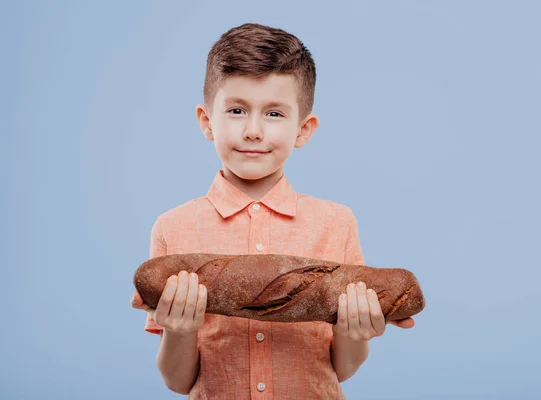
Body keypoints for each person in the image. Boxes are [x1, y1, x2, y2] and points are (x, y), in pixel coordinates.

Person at [130, 22, 414, 399]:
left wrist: (354, 333)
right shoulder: (173, 228)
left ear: (303, 129)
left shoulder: (336, 223)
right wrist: (180, 329)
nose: (253, 130)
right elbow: (177, 381)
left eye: (274, 114)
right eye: (236, 110)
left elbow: (342, 369)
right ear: (206, 121)